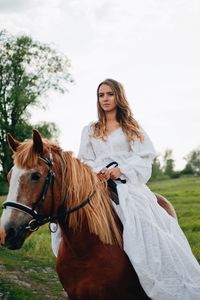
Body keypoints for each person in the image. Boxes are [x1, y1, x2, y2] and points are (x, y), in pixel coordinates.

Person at [52, 78, 200, 300]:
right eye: (101, 95)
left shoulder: (132, 127)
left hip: (127, 183)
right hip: (96, 183)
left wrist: (121, 170)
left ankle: (151, 268)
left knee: (142, 217)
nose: (105, 99)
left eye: (109, 94)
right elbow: (85, 159)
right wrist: (97, 172)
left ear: (118, 97)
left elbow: (144, 159)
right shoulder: (90, 130)